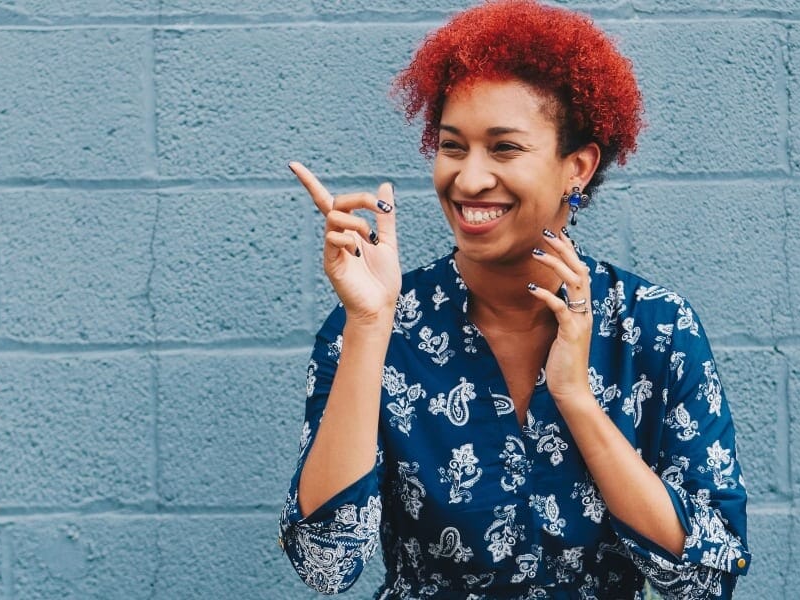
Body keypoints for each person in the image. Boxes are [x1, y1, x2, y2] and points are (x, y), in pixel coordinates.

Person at [278, 1, 750, 597]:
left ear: (576, 167)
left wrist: (576, 399)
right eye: (453, 147)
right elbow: (325, 564)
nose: (470, 179)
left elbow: (704, 583)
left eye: (504, 149)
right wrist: (370, 323)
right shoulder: (377, 322)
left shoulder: (654, 329)